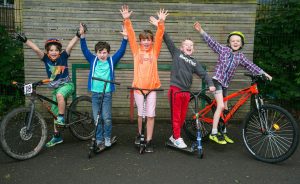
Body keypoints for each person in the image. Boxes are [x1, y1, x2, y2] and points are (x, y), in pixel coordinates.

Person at [193, 21, 272, 144]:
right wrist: (201, 31)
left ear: (241, 44)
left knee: (225, 108)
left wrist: (264, 73)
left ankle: (223, 132)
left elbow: (251, 66)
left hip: (225, 84)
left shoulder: (240, 57)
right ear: (229, 43)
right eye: (233, 41)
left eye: (238, 41)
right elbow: (212, 42)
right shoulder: (224, 50)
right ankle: (214, 132)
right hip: (217, 80)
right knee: (220, 105)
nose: (235, 42)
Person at [149, 17, 216, 149]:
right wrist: (159, 25)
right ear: (182, 47)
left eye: (191, 45)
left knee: (182, 117)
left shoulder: (195, 62)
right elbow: (167, 39)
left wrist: (211, 84)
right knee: (176, 116)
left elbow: (203, 74)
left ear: (194, 49)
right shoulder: (176, 53)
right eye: (186, 45)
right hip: (175, 90)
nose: (189, 47)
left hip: (186, 92)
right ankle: (177, 137)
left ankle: (175, 136)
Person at [15, 30, 80, 147]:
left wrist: (78, 35)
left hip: (67, 85)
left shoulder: (64, 56)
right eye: (51, 50)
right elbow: (36, 49)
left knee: (60, 97)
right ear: (47, 52)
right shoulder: (46, 59)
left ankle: (61, 117)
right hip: (56, 89)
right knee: (54, 113)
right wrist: (25, 40)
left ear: (60, 52)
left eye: (56, 50)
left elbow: (70, 45)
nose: (54, 52)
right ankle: (57, 137)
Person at [120, 5, 168, 152]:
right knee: (141, 114)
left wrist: (161, 22)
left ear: (151, 41)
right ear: (140, 41)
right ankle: (140, 135)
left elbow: (160, 35)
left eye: (148, 40)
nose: (146, 42)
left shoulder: (155, 52)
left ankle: (149, 140)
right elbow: (131, 36)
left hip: (152, 88)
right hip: (138, 89)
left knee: (151, 115)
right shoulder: (136, 51)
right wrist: (127, 20)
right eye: (143, 40)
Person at [79, 23, 128, 149]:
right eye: (100, 52)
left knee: (106, 118)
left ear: (108, 53)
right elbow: (84, 50)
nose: (102, 55)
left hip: (107, 93)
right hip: (95, 93)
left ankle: (107, 137)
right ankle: (99, 138)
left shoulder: (111, 61)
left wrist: (125, 38)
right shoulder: (93, 60)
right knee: (97, 119)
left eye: (105, 52)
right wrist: (82, 36)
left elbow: (121, 52)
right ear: (96, 53)